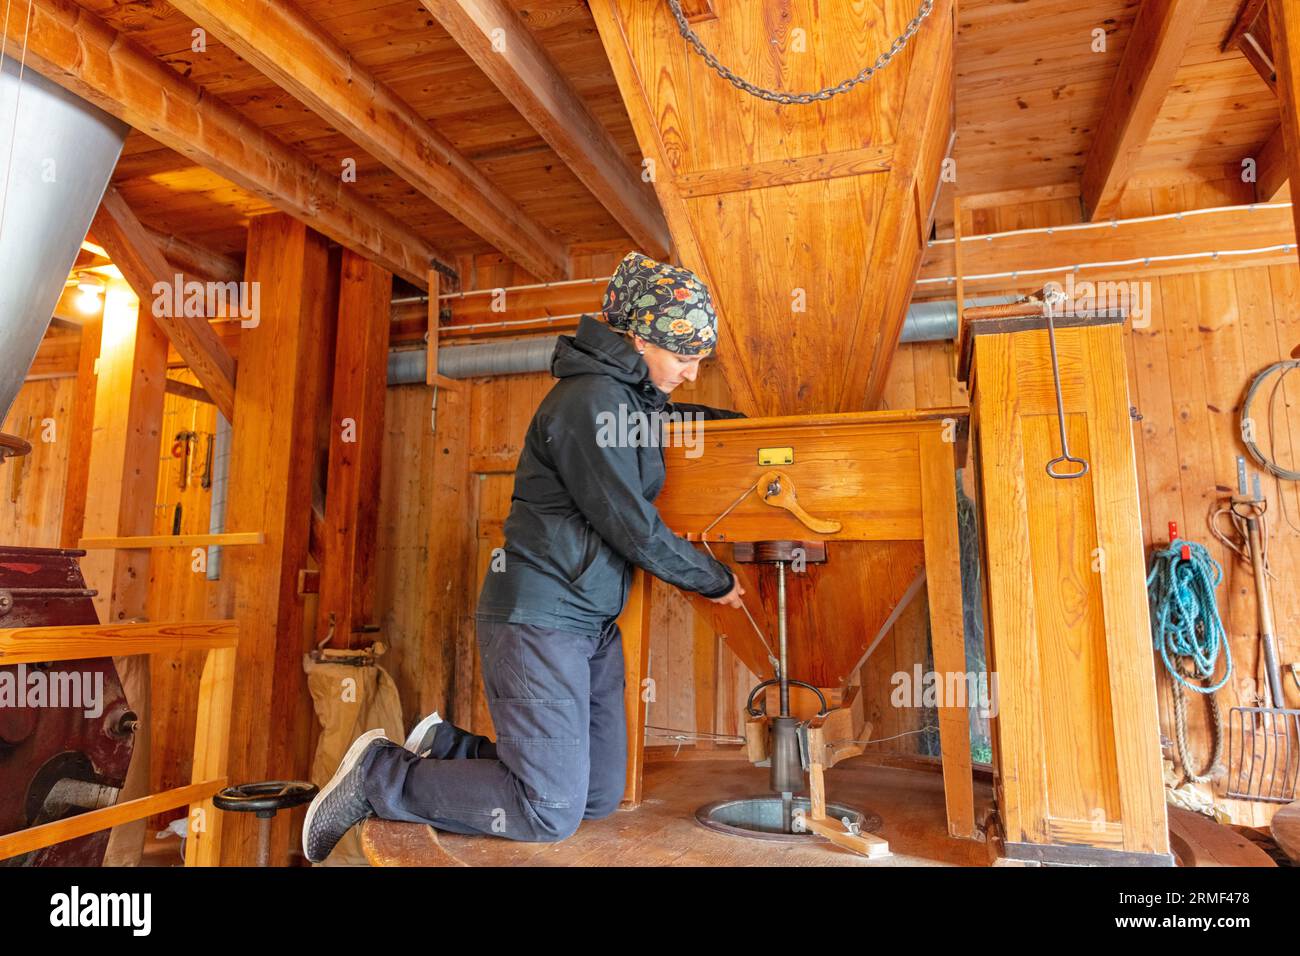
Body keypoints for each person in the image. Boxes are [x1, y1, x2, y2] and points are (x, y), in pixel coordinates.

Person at [303, 251, 746, 860]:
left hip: (587, 623)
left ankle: (448, 750)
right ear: (642, 339)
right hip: (540, 617)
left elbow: (664, 421)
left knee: (595, 794)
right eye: (685, 357)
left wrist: (744, 430)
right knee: (550, 811)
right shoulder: (590, 402)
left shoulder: (625, 399)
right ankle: (378, 776)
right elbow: (630, 526)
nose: (693, 373)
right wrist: (712, 579)